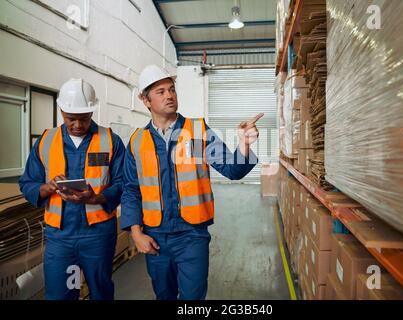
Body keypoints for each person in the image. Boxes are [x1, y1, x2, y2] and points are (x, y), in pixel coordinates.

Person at [120, 65, 263, 300]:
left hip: (192, 235)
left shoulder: (197, 131)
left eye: (172, 90)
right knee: (164, 295)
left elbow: (232, 169)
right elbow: (130, 191)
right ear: (145, 101)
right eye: (161, 92)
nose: (169, 96)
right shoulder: (137, 141)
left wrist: (245, 145)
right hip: (155, 236)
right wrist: (136, 234)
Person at [19, 78, 125, 300]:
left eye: (84, 119)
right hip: (61, 238)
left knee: (100, 293)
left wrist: (95, 198)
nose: (78, 125)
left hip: (97, 236)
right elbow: (27, 182)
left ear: (92, 112)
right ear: (61, 110)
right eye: (71, 119)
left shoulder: (110, 141)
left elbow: (123, 183)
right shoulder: (45, 141)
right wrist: (47, 188)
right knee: (63, 293)